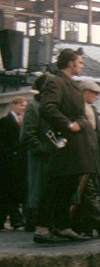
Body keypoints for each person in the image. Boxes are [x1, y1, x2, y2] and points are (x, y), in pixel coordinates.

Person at [36, 48, 94, 244]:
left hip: (74, 142)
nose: (82, 65)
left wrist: (79, 124)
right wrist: (68, 124)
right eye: (80, 62)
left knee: (68, 184)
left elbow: (80, 114)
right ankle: (43, 227)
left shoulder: (72, 84)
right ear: (70, 63)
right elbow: (47, 107)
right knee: (55, 184)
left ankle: (62, 225)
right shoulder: (55, 82)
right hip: (63, 140)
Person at [20, 74, 56, 232]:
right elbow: (28, 133)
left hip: (51, 154)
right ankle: (32, 221)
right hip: (40, 155)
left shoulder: (50, 106)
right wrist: (42, 149)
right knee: (37, 187)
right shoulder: (33, 106)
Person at [73, 79, 100, 237]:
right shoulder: (81, 109)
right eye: (94, 93)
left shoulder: (90, 109)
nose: (96, 96)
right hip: (84, 156)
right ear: (85, 92)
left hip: (92, 156)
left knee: (86, 192)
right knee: (89, 191)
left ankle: (84, 226)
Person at [0, 96, 28, 230]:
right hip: (8, 162)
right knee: (8, 191)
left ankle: (11, 219)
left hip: (18, 162)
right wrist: (10, 153)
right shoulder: (5, 121)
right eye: (21, 105)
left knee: (11, 191)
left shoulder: (22, 122)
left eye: (25, 106)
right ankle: (15, 219)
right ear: (13, 105)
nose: (23, 108)